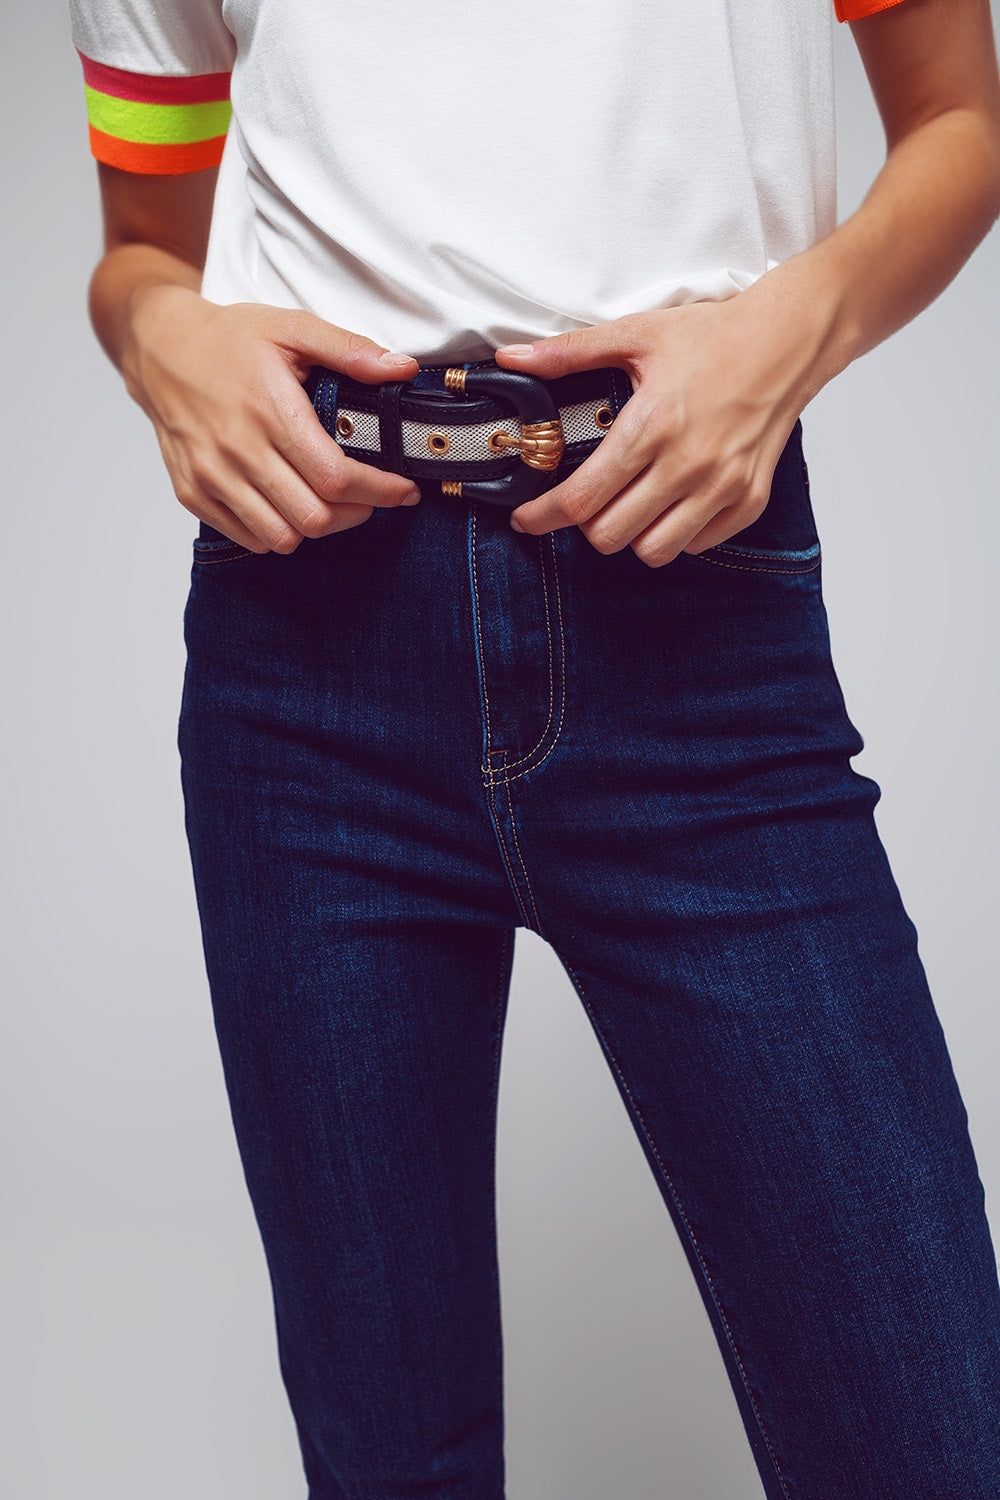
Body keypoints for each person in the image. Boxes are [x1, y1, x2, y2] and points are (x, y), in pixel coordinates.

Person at [69, 0, 1000, 1494]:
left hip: (693, 620)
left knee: (927, 1443)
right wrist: (156, 333)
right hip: (305, 649)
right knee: (388, 1462)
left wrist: (789, 335)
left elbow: (963, 124)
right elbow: (144, 249)